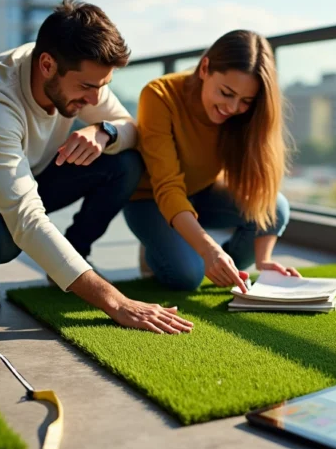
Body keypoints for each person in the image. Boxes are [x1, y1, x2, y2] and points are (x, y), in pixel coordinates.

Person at [0, 0, 192, 335]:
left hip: (33, 175)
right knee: (3, 236)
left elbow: (131, 128)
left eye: (101, 87)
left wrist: (103, 131)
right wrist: (115, 302)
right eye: (87, 87)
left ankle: (71, 258)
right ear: (47, 65)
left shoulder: (77, 67)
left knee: (125, 161)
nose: (94, 100)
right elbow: (25, 217)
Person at [124, 29, 300, 292]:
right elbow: (168, 187)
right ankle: (158, 251)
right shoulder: (159, 95)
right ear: (205, 68)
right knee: (187, 276)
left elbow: (261, 193)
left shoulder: (244, 114)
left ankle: (206, 258)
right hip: (151, 200)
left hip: (203, 194)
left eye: (245, 101)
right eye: (226, 93)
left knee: (277, 207)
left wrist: (263, 261)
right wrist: (208, 249)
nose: (232, 108)